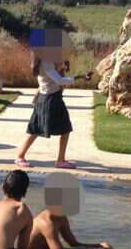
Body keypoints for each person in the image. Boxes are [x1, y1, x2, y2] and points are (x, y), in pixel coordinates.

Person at [16, 30, 91, 169]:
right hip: (50, 100)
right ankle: (58, 160)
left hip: (49, 98)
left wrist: (63, 65)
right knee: (51, 129)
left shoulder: (43, 60)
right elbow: (59, 80)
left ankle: (55, 159)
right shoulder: (45, 63)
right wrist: (79, 77)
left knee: (46, 129)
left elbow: (57, 75)